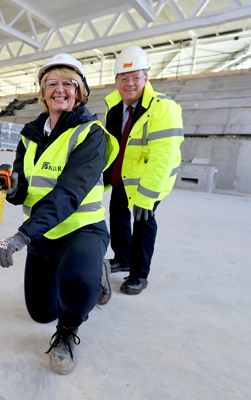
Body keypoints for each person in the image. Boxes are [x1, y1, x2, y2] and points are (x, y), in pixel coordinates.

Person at [0, 54, 118, 375]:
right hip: (44, 235)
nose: (59, 89)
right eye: (51, 83)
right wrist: (13, 185)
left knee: (76, 287)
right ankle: (83, 275)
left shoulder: (91, 134)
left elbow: (69, 193)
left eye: (68, 83)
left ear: (80, 92)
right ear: (42, 92)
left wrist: (21, 236)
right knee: (41, 313)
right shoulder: (29, 134)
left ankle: (68, 331)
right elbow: (23, 190)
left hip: (82, 229)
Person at [103, 46, 183, 295]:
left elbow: (163, 157)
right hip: (122, 176)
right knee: (117, 213)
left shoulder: (163, 108)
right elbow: (114, 144)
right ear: (116, 81)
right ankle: (122, 257)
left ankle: (139, 274)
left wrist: (147, 197)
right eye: (124, 78)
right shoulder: (114, 106)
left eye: (135, 77)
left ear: (146, 78)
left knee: (143, 222)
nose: (129, 83)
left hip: (150, 180)